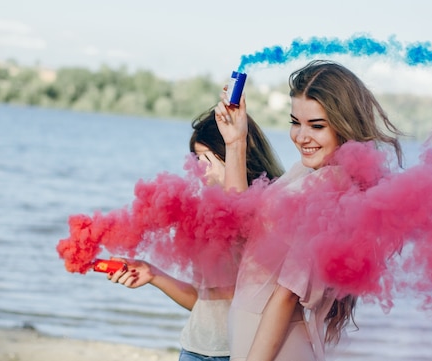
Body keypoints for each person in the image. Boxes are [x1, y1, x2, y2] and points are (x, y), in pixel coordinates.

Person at [214, 59, 404, 361]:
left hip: (274, 345)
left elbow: (288, 293)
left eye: (316, 125)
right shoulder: (306, 174)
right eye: (295, 122)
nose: (301, 137)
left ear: (345, 125)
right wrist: (236, 141)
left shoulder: (334, 189)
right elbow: (240, 230)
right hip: (258, 334)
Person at [107, 106, 285, 361]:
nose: (198, 168)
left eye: (206, 158)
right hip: (194, 351)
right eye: (195, 158)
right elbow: (202, 300)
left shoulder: (272, 204)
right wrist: (152, 273)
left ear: (235, 152)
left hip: (243, 352)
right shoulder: (204, 213)